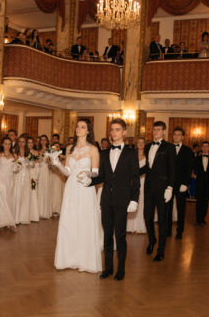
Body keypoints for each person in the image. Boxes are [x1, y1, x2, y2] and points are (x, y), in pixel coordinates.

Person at [84, 118, 140, 281]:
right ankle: (108, 268)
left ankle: (121, 269)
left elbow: (135, 178)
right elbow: (101, 177)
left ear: (124, 132)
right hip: (106, 199)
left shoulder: (131, 153)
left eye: (117, 129)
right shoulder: (104, 153)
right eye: (111, 129)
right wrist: (89, 181)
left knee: (120, 236)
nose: (113, 132)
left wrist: (134, 200)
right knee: (107, 235)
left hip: (123, 200)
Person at [53, 119, 101, 273]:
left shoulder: (93, 149)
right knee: (69, 221)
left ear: (88, 131)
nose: (78, 129)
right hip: (71, 188)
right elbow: (67, 171)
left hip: (85, 187)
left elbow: (96, 172)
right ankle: (67, 258)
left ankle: (85, 260)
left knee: (84, 222)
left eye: (83, 127)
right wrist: (57, 163)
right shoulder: (69, 148)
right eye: (77, 126)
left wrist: (87, 173)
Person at [141, 121, 176, 261]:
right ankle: (152, 240)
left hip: (163, 189)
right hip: (149, 188)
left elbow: (173, 169)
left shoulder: (169, 147)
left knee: (162, 220)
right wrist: (133, 173)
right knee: (147, 217)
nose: (155, 132)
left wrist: (170, 187)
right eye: (154, 129)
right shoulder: (148, 146)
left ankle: (161, 250)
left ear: (163, 132)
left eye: (158, 129)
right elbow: (148, 167)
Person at [168, 127, 194, 239]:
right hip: (168, 183)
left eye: (179, 135)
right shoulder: (167, 148)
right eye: (174, 134)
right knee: (167, 208)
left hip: (181, 184)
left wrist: (186, 183)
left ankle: (180, 231)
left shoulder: (187, 150)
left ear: (183, 136)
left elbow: (189, 168)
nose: (176, 136)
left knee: (181, 208)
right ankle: (167, 230)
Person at [0, 137, 16, 231]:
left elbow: (16, 166)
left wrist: (17, 168)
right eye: (5, 143)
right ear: (2, 144)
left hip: (10, 178)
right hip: (0, 178)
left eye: (9, 144)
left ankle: (9, 221)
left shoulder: (14, 155)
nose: (7, 146)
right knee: (1, 199)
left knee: (8, 199)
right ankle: (3, 221)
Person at [127, 137, 147, 234]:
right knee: (132, 201)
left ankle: (140, 227)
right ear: (136, 144)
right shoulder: (131, 155)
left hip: (144, 181)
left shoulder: (147, 156)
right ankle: (130, 227)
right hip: (133, 182)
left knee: (142, 202)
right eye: (139, 142)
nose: (140, 144)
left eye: (142, 142)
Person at [12, 135, 31, 225]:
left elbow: (32, 164)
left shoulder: (28, 152)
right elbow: (13, 164)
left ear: (25, 143)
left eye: (23, 142)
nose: (21, 144)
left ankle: (23, 217)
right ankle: (15, 217)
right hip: (18, 175)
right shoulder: (14, 152)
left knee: (25, 195)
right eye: (19, 142)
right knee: (17, 194)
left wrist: (30, 164)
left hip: (26, 175)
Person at [26, 137, 40, 222]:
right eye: (28, 142)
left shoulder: (36, 153)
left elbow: (37, 166)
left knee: (33, 192)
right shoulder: (24, 152)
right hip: (25, 174)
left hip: (33, 176)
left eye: (31, 142)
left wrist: (36, 177)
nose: (30, 144)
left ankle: (33, 215)